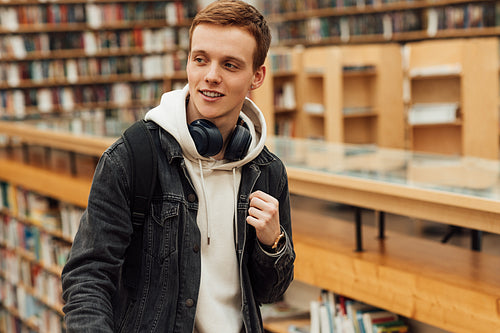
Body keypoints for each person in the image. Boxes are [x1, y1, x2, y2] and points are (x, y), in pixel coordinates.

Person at [61, 1, 295, 332]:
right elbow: (87, 276)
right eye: (200, 59)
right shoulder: (134, 155)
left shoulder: (268, 171)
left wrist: (273, 243)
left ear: (257, 76)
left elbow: (271, 292)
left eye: (229, 65)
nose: (210, 76)